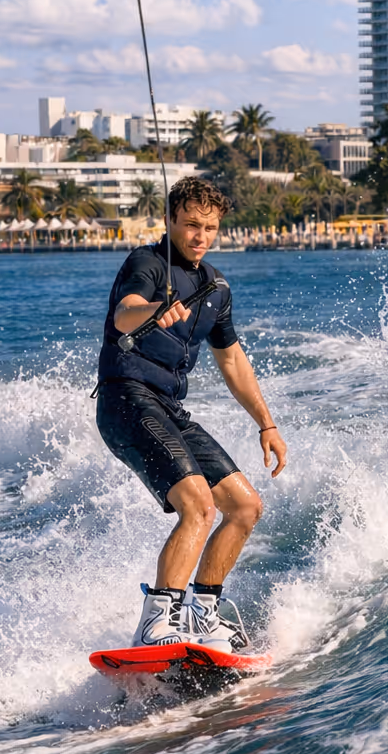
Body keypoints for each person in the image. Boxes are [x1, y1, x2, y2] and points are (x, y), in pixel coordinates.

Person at [95, 175, 288, 651]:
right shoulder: (146, 263)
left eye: (209, 227)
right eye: (190, 225)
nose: (199, 236)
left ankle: (202, 614)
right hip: (126, 400)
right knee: (199, 506)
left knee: (245, 507)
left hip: (168, 408)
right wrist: (155, 310)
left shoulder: (215, 288)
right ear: (170, 221)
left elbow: (233, 360)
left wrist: (266, 422)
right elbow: (125, 312)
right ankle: (157, 622)